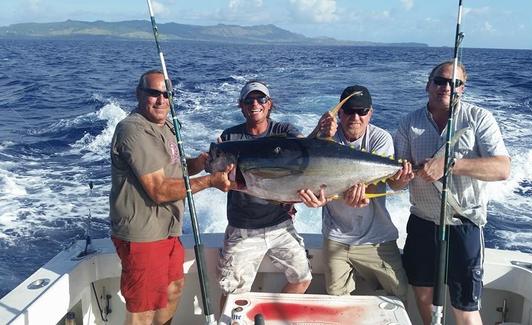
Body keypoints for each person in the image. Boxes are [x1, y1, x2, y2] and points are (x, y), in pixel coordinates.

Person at [109, 70, 235, 325]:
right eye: (154, 93)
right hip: (143, 235)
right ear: (138, 94)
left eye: (167, 95)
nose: (161, 100)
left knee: (174, 289)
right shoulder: (133, 131)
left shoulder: (166, 126)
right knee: (143, 308)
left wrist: (198, 164)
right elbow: (159, 190)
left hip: (168, 230)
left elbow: (173, 169)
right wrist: (210, 181)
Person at [393, 61, 511, 325]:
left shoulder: (479, 118)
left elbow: (502, 168)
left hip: (463, 226)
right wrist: (401, 178)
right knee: (423, 297)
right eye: (440, 81)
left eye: (455, 83)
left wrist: (450, 166)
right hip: (422, 224)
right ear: (428, 85)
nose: (447, 87)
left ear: (463, 89)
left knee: (464, 307)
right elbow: (395, 184)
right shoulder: (408, 123)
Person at [298, 85, 410, 304]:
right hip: (337, 237)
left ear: (371, 113)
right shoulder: (326, 137)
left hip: (377, 237)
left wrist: (399, 179)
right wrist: (317, 134)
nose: (355, 117)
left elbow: (378, 185)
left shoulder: (380, 138)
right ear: (339, 113)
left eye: (362, 111)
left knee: (399, 294)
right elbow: (301, 164)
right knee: (336, 300)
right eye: (349, 111)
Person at [217, 80, 312, 308]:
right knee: (233, 295)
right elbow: (215, 172)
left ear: (269, 104)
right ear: (241, 106)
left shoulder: (284, 132)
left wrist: (322, 133)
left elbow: (306, 151)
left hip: (281, 225)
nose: (255, 104)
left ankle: (269, 318)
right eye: (249, 100)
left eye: (261, 99)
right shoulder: (229, 139)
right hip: (243, 229)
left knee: (302, 279)